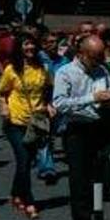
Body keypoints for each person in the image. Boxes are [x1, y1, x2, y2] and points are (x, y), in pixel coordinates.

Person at [53, 35, 110, 220]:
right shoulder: (65, 73)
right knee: (80, 183)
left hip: (100, 128)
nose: (100, 60)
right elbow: (60, 103)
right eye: (95, 56)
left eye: (102, 55)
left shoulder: (102, 70)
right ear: (81, 54)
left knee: (100, 181)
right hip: (78, 131)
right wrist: (92, 97)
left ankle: (98, 219)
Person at [0, 32, 53, 220]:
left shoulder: (41, 69)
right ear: (20, 47)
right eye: (26, 44)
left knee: (27, 162)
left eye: (33, 45)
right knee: (23, 160)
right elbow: (1, 91)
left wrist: (49, 105)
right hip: (15, 122)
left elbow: (48, 90)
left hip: (35, 123)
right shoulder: (11, 70)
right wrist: (4, 107)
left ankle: (15, 193)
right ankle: (29, 201)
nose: (30, 48)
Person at [35, 31, 70, 183]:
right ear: (43, 44)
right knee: (44, 135)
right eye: (48, 42)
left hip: (60, 104)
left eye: (54, 41)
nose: (52, 45)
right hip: (42, 103)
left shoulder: (65, 61)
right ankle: (47, 167)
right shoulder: (37, 59)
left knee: (58, 132)